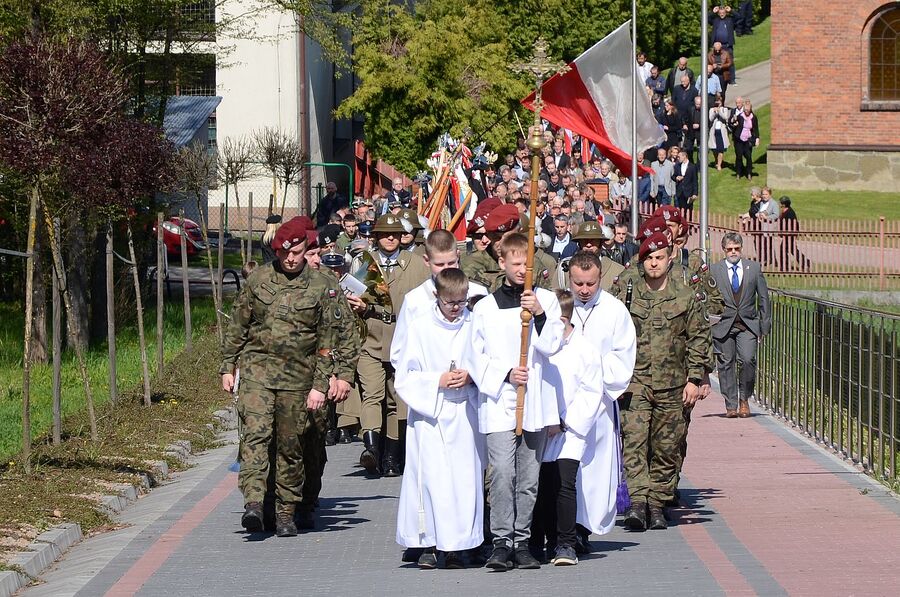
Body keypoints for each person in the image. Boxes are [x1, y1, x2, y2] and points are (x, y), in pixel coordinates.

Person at [220, 216, 360, 537]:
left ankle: (287, 510)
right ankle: (254, 502)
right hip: (258, 373)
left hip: (300, 378)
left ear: (305, 248)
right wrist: (228, 366)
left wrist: (335, 378)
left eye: (297, 252)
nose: (291, 259)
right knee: (254, 436)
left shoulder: (322, 285)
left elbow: (335, 335)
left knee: (291, 446)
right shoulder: (258, 279)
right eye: (285, 253)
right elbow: (238, 325)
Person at [466, 232, 564, 571]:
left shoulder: (545, 300)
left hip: (533, 400)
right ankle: (501, 540)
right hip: (499, 400)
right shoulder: (485, 307)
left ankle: (522, 541)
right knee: (502, 472)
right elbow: (475, 355)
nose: (523, 270)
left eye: (528, 263)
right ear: (502, 262)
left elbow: (553, 346)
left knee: (528, 477)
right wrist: (506, 373)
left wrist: (539, 314)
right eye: (517, 263)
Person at [618, 232, 711, 531]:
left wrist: (695, 379)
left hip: (673, 384)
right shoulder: (626, 293)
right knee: (634, 443)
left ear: (669, 260)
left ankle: (657, 503)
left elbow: (698, 338)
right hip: (635, 382)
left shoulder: (685, 296)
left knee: (667, 447)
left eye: (659, 258)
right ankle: (638, 503)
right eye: (648, 258)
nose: (654, 263)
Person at [394, 268, 485, 570]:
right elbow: (404, 376)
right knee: (432, 480)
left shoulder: (475, 324)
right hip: (430, 415)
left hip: (465, 411)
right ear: (437, 296)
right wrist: (438, 380)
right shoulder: (420, 327)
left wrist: (471, 376)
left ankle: (459, 547)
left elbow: (488, 362)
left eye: (461, 301)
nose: (456, 308)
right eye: (450, 302)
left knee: (463, 482)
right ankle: (429, 544)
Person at [345, 213, 430, 477]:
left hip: (403, 339)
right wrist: (357, 305)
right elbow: (350, 295)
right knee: (372, 394)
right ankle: (371, 449)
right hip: (370, 336)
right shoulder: (364, 262)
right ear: (376, 237)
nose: (390, 238)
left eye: (395, 234)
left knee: (396, 400)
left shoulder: (416, 264)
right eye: (384, 234)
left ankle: (392, 457)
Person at [562, 252, 636, 550]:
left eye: (590, 284)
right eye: (578, 283)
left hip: (600, 404)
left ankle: (583, 527)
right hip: (564, 403)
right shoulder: (559, 306)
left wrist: (592, 372)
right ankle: (565, 526)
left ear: (600, 278)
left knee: (593, 469)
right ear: (569, 278)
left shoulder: (615, 310)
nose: (584, 290)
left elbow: (623, 356)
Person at [533, 289, 606, 566]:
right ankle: (539, 540)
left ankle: (566, 544)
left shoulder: (585, 350)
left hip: (570, 430)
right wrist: (546, 418)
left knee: (565, 484)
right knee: (541, 486)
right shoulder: (538, 346)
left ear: (563, 319)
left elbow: (591, 391)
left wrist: (563, 421)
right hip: (541, 426)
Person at [711, 232, 771, 418]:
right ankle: (731, 404)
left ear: (741, 249)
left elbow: (763, 298)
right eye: (729, 249)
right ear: (724, 250)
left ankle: (744, 398)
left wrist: (764, 326)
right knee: (725, 364)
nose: (733, 252)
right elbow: (707, 298)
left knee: (747, 359)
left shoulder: (753, 268)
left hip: (748, 324)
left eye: (736, 249)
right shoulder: (715, 270)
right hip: (723, 324)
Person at [555, 221, 624, 291]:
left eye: (593, 240)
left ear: (601, 243)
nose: (588, 245)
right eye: (584, 240)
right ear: (579, 243)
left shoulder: (617, 271)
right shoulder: (564, 269)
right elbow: (554, 294)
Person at [778, 197, 811, 271]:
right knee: (792, 250)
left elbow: (794, 224)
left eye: (780, 202)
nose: (779, 204)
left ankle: (785, 266)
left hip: (789, 234)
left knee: (783, 250)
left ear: (784, 204)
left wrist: (791, 233)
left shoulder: (790, 212)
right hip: (787, 234)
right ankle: (806, 262)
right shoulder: (784, 211)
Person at [731, 100, 760, 181]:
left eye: (748, 110)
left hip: (748, 140)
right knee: (739, 157)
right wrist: (734, 121)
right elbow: (732, 122)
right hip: (739, 139)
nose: (746, 112)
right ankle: (738, 173)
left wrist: (757, 138)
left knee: (748, 157)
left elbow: (756, 129)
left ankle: (749, 173)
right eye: (745, 110)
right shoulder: (740, 116)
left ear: (750, 110)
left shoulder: (753, 117)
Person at [672, 148, 698, 213]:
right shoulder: (677, 166)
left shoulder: (692, 167)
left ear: (684, 156)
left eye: (679, 157)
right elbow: (673, 176)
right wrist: (676, 178)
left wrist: (695, 193)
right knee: (680, 210)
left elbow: (695, 181)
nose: (678, 158)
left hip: (689, 192)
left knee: (689, 211)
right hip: (680, 192)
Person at [709, 96, 731, 171]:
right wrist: (715, 112)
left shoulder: (725, 109)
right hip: (714, 131)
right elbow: (710, 119)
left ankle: (719, 165)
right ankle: (716, 161)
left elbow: (725, 117)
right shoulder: (711, 110)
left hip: (721, 131)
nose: (718, 103)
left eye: (719, 102)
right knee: (714, 148)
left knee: (721, 149)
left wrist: (719, 111)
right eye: (716, 101)